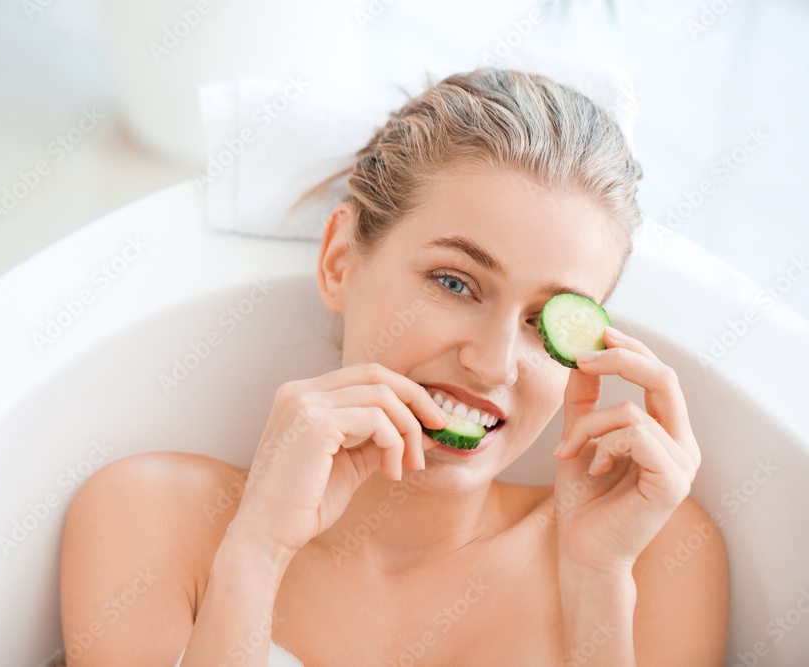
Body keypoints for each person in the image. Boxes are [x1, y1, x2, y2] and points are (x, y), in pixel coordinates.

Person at [58, 68, 730, 666]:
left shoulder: (655, 557)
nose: (493, 364)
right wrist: (255, 551)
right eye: (456, 282)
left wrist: (593, 585)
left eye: (543, 320)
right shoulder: (147, 518)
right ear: (340, 262)